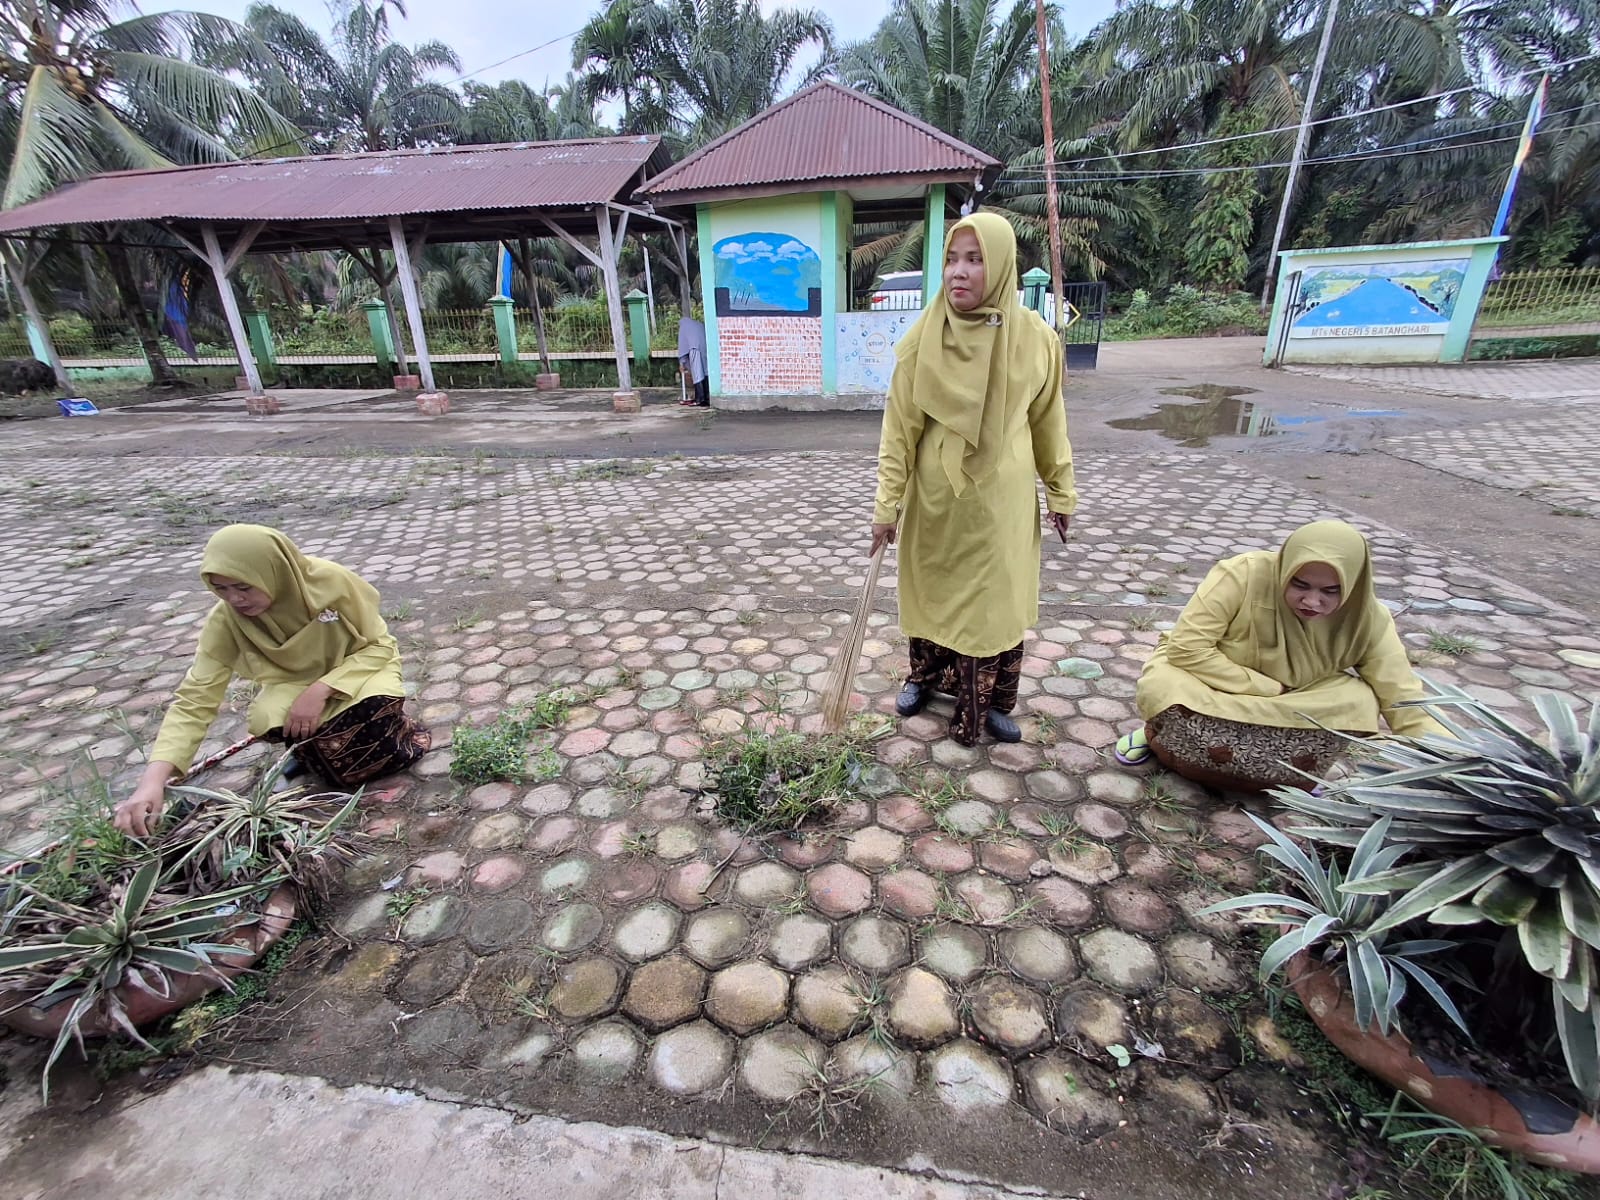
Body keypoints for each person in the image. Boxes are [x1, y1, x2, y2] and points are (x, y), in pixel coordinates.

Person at [871, 212, 1076, 747]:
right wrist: (886, 506)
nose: (958, 273)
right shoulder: (923, 341)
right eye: (951, 260)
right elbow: (899, 434)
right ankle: (924, 678)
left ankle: (991, 701)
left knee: (995, 604)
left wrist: (1061, 489)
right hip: (936, 504)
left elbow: (1048, 421)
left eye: (976, 259)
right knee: (933, 594)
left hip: (1002, 506)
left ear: (1004, 265)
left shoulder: (1036, 341)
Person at [113, 524, 430, 836]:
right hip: (295, 683)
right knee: (271, 718)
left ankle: (397, 732)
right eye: (221, 589)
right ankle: (315, 753)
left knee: (373, 716)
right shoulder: (226, 621)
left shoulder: (330, 581)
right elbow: (195, 699)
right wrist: (151, 782)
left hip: (360, 671)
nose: (235, 599)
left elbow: (380, 645)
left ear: (274, 570)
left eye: (244, 586)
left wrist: (321, 689)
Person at [1114, 519, 1448, 789]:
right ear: (1284, 569)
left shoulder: (1369, 616)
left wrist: (1452, 761)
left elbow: (1403, 698)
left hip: (1298, 697)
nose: (1312, 602)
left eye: (1331, 591)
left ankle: (1296, 774)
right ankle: (1155, 738)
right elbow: (1187, 647)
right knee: (1167, 680)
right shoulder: (1242, 574)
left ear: (1354, 585)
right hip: (1218, 683)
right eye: (1300, 585)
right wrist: (1264, 687)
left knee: (1359, 701)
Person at [677, 314, 709, 407]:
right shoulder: (699, 324)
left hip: (694, 349)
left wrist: (681, 362)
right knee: (705, 372)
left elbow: (682, 346)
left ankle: (700, 399)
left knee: (697, 374)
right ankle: (707, 398)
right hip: (704, 349)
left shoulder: (683, 327)